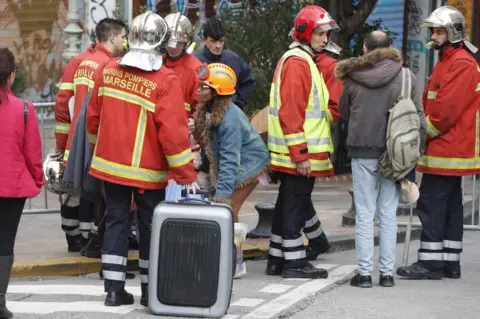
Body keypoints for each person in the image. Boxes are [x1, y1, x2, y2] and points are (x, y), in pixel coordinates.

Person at [86, 12, 198, 307]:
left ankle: (113, 289)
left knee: (117, 222)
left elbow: (93, 119)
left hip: (109, 167)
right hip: (147, 172)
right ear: (161, 43)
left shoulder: (108, 70)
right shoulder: (164, 80)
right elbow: (173, 136)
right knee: (150, 227)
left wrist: (100, 150)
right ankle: (149, 291)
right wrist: (187, 175)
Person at [335, 31, 426, 288]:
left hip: (363, 150)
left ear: (366, 49)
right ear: (390, 48)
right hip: (396, 154)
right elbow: (418, 117)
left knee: (364, 212)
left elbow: (343, 110)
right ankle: (386, 274)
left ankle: (364, 274)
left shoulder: (353, 77)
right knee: (388, 212)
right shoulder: (407, 76)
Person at [397, 6, 480, 280]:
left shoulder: (461, 63)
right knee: (450, 204)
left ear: (453, 33)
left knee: (431, 202)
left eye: (439, 31)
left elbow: (445, 111)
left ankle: (431, 264)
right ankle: (449, 261)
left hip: (447, 147)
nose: (434, 35)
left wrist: (421, 135)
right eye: (433, 30)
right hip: (447, 147)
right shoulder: (450, 60)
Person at [266, 5, 335, 279]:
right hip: (299, 153)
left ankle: (277, 258)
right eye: (320, 33)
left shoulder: (300, 60)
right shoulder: (298, 62)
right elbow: (291, 112)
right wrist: (301, 154)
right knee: (295, 205)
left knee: (287, 203)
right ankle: (294, 263)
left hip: (294, 151)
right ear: (306, 33)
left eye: (327, 33)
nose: (325, 38)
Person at [67, 18, 127, 255]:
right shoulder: (107, 65)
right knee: (101, 196)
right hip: (98, 138)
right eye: (122, 36)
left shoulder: (87, 62)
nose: (124, 41)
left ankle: (88, 240)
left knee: (87, 192)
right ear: (112, 37)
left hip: (82, 136)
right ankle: (95, 242)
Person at [0, 47, 45, 319]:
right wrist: (38, 180)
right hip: (12, 187)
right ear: (11, 76)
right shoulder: (25, 110)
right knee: (5, 243)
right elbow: (33, 153)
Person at [193, 62, 269, 220]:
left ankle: (231, 244)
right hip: (237, 162)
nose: (199, 90)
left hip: (249, 164)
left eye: (204, 87)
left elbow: (230, 160)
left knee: (228, 210)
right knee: (224, 211)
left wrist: (222, 196)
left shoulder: (229, 120)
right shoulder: (209, 110)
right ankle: (227, 243)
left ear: (217, 91)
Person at [53, 42, 96, 252]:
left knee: (75, 191)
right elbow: (64, 105)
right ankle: (78, 236)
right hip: (87, 142)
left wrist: (62, 142)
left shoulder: (78, 62)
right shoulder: (84, 62)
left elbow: (63, 104)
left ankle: (75, 237)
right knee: (78, 193)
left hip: (75, 141)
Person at [194, 16, 256, 111]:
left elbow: (249, 82)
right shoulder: (195, 61)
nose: (218, 46)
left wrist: (238, 103)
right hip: (202, 117)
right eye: (213, 41)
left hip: (230, 115)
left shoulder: (233, 59)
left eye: (221, 41)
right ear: (204, 40)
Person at [164, 12, 203, 117]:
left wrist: (193, 119)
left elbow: (202, 106)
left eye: (178, 44)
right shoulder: (156, 63)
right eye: (169, 43)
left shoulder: (196, 69)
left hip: (184, 128)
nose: (173, 48)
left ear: (187, 42)